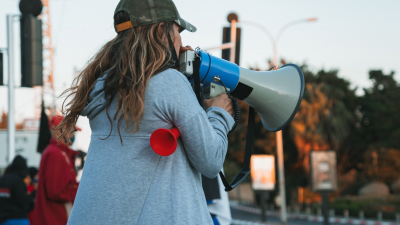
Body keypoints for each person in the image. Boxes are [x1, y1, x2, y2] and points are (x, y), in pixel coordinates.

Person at [60, 0, 234, 224]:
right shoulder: (169, 83)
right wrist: (219, 114)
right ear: (162, 30)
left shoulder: (102, 85)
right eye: (178, 31)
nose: (181, 40)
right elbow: (211, 161)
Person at [32, 116, 80, 225]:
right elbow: (57, 191)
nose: (73, 136)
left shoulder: (58, 152)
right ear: (59, 131)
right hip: (56, 219)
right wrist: (82, 190)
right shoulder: (56, 154)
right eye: (71, 132)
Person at [0, 155, 31, 225]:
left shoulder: (3, 179)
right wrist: (31, 197)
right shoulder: (18, 181)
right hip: (18, 219)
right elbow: (22, 201)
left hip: (3, 219)